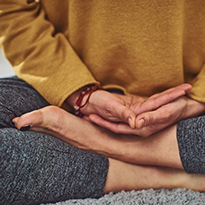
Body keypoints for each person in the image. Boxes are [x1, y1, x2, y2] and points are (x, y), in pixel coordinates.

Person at [0, 0, 205, 204]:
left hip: (193, 105)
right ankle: (167, 174)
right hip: (64, 86)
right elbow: (10, 8)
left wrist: (198, 99)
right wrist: (79, 93)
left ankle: (101, 142)